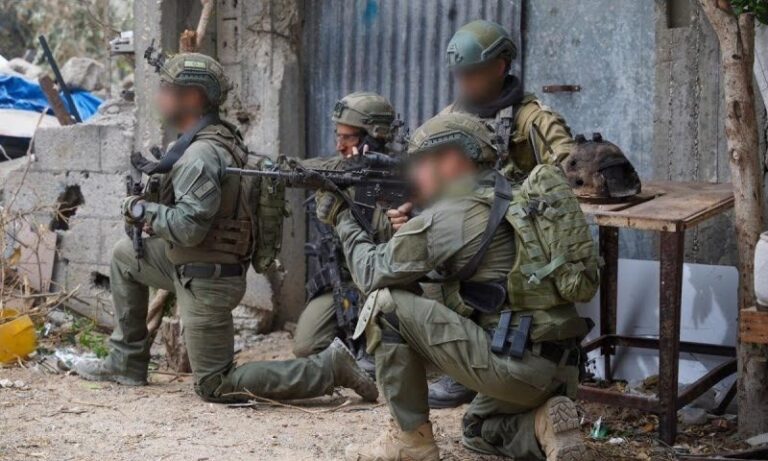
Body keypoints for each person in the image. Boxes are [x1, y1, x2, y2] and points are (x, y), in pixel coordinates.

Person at [73, 53, 377, 405]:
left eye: (166, 89)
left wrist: (141, 209)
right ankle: (126, 362)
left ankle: (329, 368)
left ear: (192, 97)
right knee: (125, 256)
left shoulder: (200, 155)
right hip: (190, 263)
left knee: (215, 385)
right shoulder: (214, 138)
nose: (159, 97)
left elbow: (188, 229)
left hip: (208, 280)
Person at [317, 113, 594, 461]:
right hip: (562, 369)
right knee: (477, 430)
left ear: (452, 159)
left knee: (386, 304)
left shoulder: (454, 214)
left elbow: (371, 272)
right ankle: (542, 423)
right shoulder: (513, 194)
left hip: (516, 369)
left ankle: (410, 442)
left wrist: (342, 218)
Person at [388, 18, 580, 409]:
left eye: (472, 73)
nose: (465, 83)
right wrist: (412, 201)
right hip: (468, 232)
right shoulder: (453, 117)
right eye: (460, 75)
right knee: (422, 268)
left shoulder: (534, 119)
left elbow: (570, 177)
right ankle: (461, 365)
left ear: (500, 66)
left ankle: (495, 370)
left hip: (518, 241)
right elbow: (427, 170)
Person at [293, 92, 397, 371]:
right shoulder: (340, 169)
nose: (339, 146)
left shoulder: (402, 177)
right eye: (337, 136)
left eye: (348, 138)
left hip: (386, 285)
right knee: (305, 346)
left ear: (374, 137)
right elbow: (297, 168)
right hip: (345, 280)